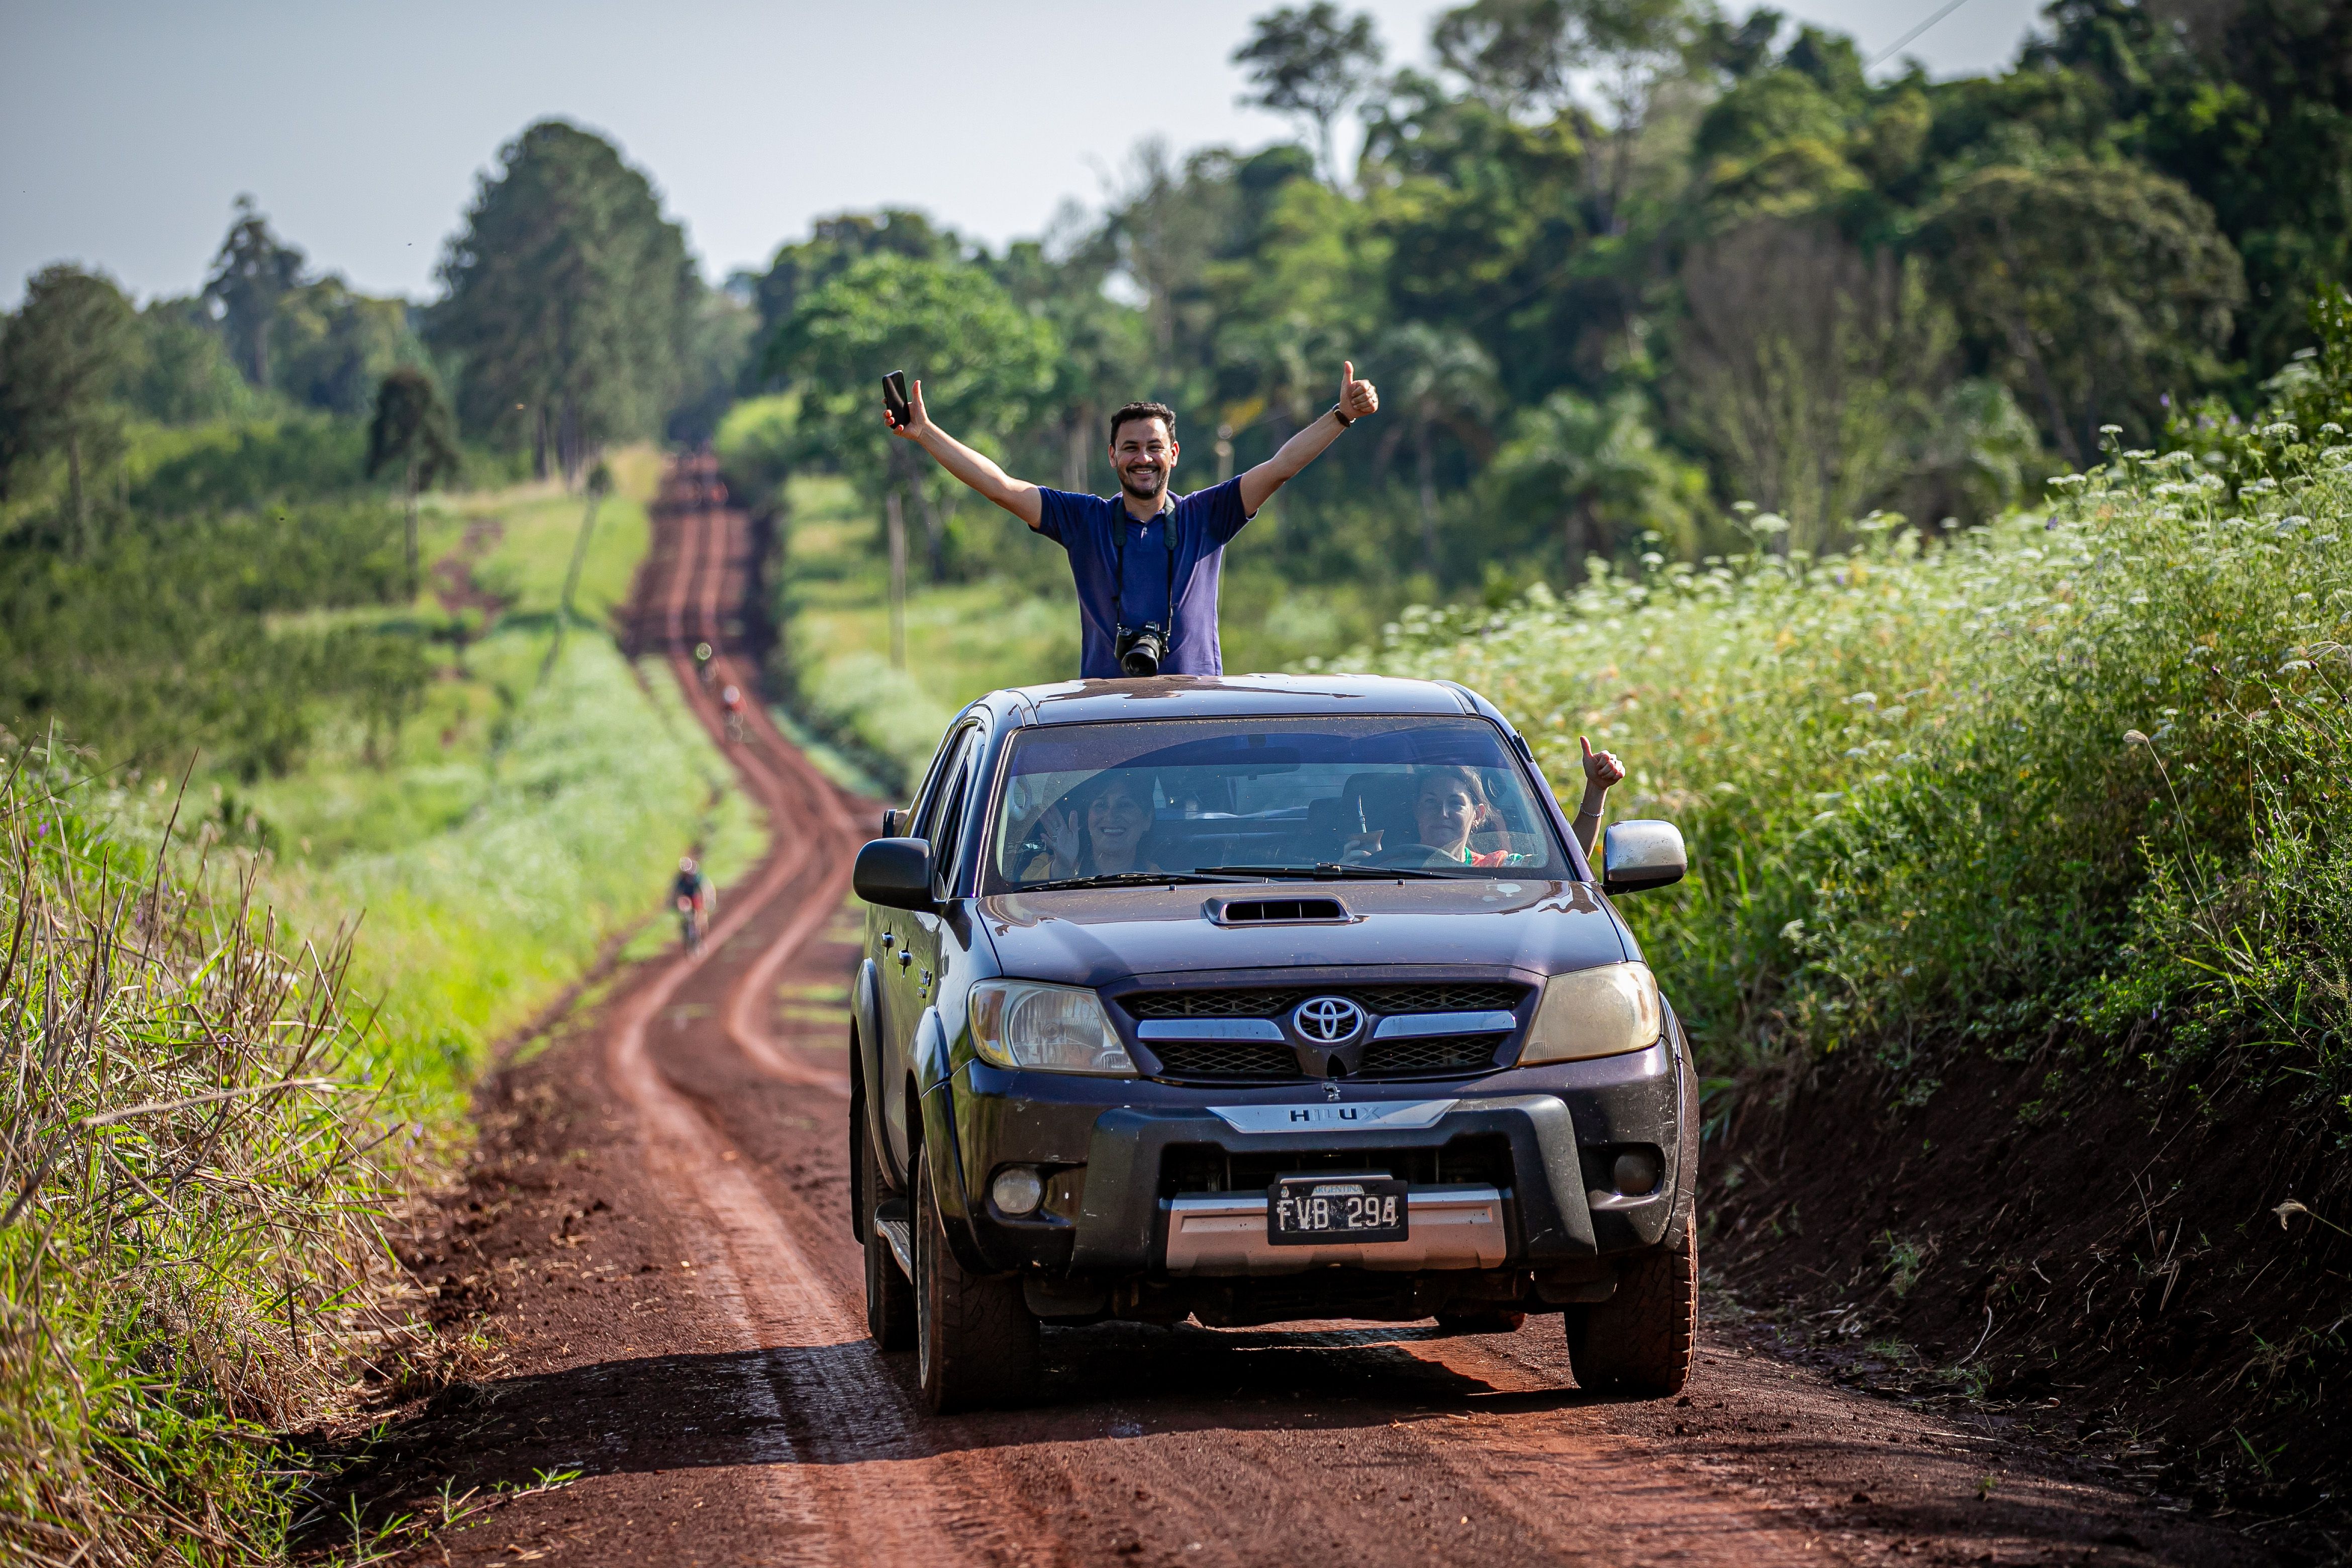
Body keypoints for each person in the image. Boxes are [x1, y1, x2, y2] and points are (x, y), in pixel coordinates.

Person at [888, 365, 1380, 678]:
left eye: (1153, 447)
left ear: (1174, 454)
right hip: (1108, 719)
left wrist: (1341, 416)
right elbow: (1001, 487)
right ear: (1112, 456)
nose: (1143, 458)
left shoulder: (1206, 516)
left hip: (1195, 714)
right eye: (1130, 448)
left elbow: (1281, 467)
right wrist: (926, 433)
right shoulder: (1085, 521)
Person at [1346, 737, 1627, 865]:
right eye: (1431, 803)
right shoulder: (1382, 868)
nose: (1442, 813)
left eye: (1456, 803)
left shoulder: (1499, 868)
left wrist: (1597, 788)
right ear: (1416, 811)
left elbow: (1568, 862)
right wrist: (1352, 873)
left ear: (1478, 815)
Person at [1020, 774, 1157, 881]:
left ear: (1147, 819)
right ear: (1087, 818)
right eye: (1101, 805)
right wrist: (1062, 867)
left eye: (1124, 805)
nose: (1110, 817)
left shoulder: (1163, 881)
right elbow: (1019, 904)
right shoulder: (1044, 865)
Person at [673, 856, 714, 954]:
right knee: (685, 915)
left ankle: (701, 940)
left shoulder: (697, 877)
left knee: (701, 919)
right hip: (686, 898)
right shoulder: (680, 879)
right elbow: (676, 893)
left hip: (697, 896)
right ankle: (687, 934)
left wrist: (707, 903)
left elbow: (705, 890)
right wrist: (675, 904)